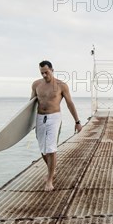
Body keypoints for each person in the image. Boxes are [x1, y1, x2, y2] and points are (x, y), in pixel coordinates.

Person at [31, 60, 82, 191]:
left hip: (54, 117)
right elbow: (31, 104)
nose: (44, 75)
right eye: (42, 73)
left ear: (52, 70)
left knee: (51, 148)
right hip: (39, 117)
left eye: (46, 72)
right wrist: (28, 124)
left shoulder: (61, 85)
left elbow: (70, 103)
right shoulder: (36, 85)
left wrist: (77, 122)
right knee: (43, 149)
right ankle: (52, 170)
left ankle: (49, 180)